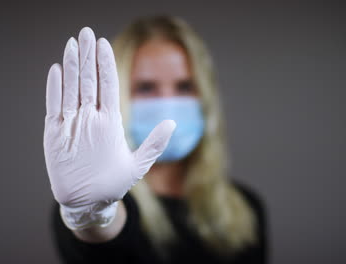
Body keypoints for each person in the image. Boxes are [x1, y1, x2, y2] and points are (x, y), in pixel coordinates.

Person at [43, 16, 267, 264]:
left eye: (184, 86)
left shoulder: (244, 207)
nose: (167, 103)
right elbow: (104, 241)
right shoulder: (91, 198)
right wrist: (93, 216)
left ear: (205, 95)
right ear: (117, 95)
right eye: (147, 88)